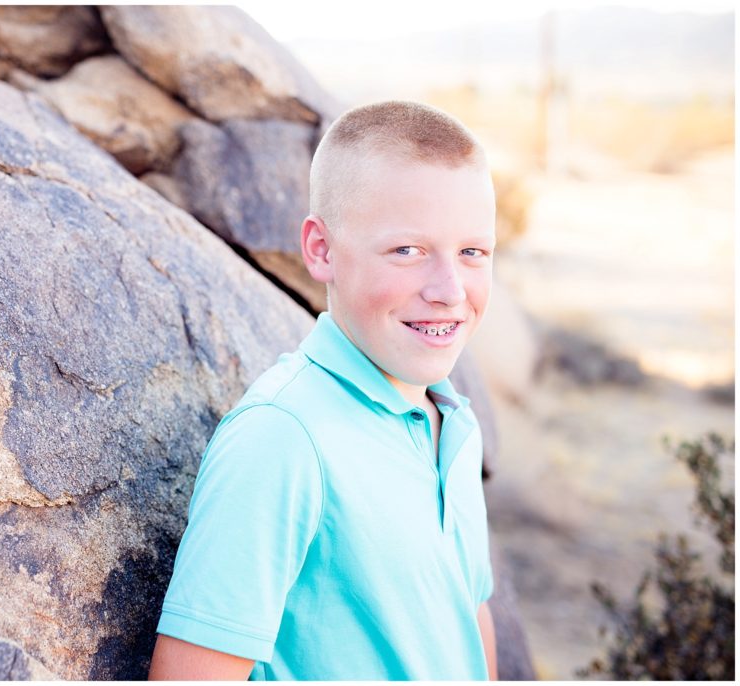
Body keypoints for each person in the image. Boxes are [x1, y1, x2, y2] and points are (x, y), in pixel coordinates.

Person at [149, 101, 499, 680]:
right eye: (407, 251)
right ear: (321, 250)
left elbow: (469, 617)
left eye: (472, 252)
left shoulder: (453, 419)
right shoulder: (282, 436)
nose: (449, 289)